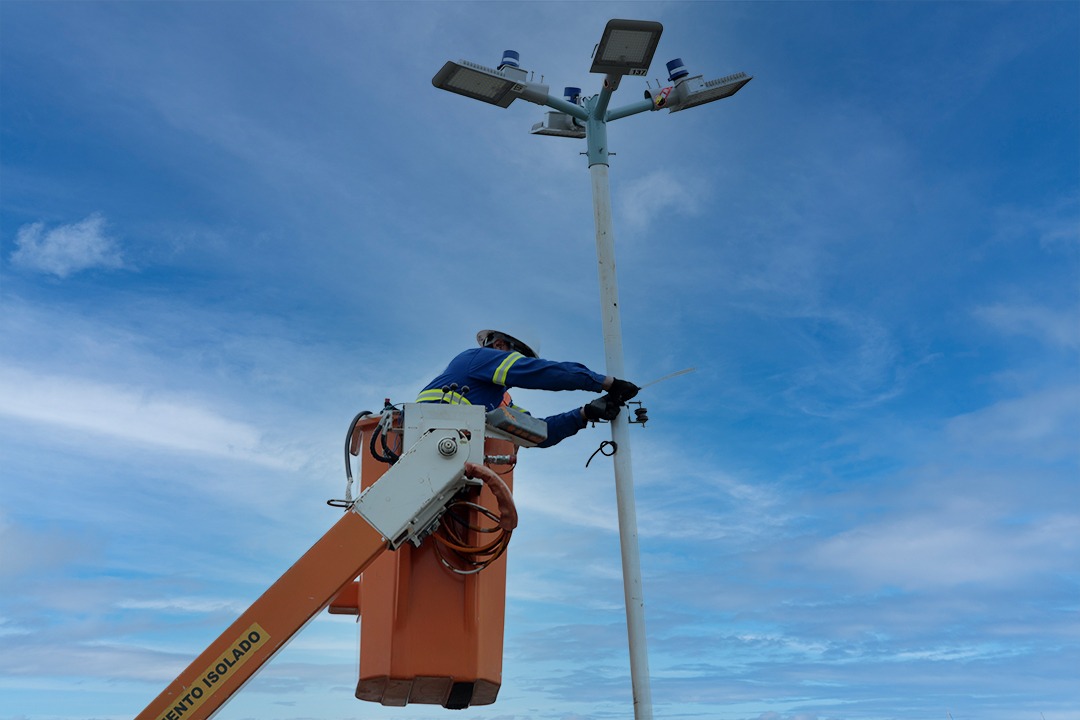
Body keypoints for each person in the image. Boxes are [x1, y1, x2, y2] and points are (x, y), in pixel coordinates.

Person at [416, 329, 639, 448]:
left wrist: (585, 413)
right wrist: (606, 383)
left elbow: (539, 432)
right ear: (499, 345)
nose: (523, 364)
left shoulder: (499, 400)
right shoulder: (477, 357)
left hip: (450, 450)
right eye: (522, 358)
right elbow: (541, 373)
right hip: (428, 439)